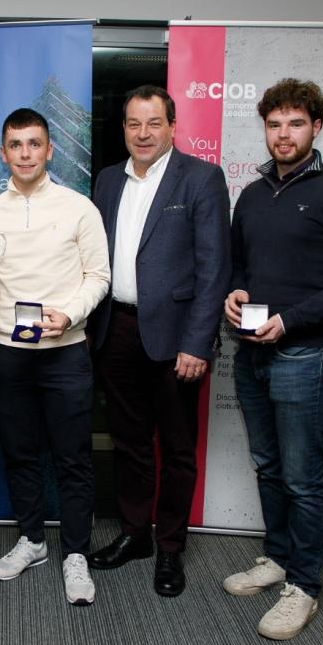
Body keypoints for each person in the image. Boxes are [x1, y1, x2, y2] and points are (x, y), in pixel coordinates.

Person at [223, 78, 323, 640]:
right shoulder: (255, 192)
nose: (282, 134)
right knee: (267, 465)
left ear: (316, 127)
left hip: (305, 356)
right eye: (273, 124)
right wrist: (235, 292)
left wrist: (290, 319)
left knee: (302, 477)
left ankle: (304, 587)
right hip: (251, 352)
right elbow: (241, 262)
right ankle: (279, 557)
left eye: (294, 123)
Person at [86, 85, 231, 598]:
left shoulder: (201, 178)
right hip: (116, 329)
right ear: (123, 128)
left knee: (176, 447)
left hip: (176, 339)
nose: (142, 133)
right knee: (128, 443)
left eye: (153, 123)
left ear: (173, 127)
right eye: (132, 124)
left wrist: (197, 342)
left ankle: (169, 547)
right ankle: (134, 534)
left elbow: (215, 269)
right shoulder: (106, 181)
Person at [0, 108, 110, 606]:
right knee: (19, 452)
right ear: (4, 153)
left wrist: (70, 315)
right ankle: (32, 541)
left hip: (66, 353)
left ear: (50, 150)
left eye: (35, 144)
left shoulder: (79, 208)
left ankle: (75, 552)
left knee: (73, 458)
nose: (26, 153)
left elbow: (99, 276)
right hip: (10, 354)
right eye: (16, 145)